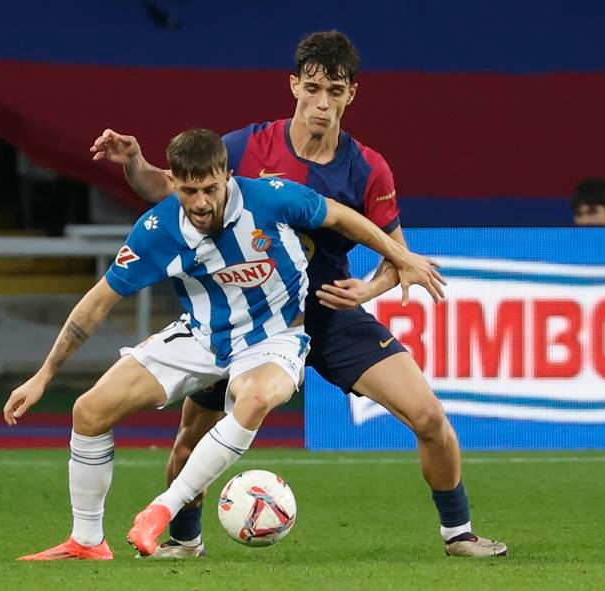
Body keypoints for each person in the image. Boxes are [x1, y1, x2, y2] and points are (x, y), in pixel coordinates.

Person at [91, 31, 507, 557]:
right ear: (294, 86)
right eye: (313, 88)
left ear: (352, 93)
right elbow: (170, 188)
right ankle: (184, 540)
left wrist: (369, 290)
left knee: (429, 418)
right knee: (188, 442)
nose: (322, 102)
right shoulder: (248, 146)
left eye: (335, 90)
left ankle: (458, 534)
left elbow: (396, 256)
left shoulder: (367, 168)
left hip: (330, 314)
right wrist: (133, 162)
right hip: (248, 320)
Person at [6, 128, 444, 560]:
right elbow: (96, 304)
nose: (200, 202)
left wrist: (402, 258)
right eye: (190, 190)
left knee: (253, 397)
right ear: (174, 182)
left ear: (228, 176)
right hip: (201, 337)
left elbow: (342, 217)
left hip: (274, 337)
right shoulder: (157, 230)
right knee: (89, 410)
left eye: (210, 189)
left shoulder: (269, 198)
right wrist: (43, 376)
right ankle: (86, 542)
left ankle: (163, 508)